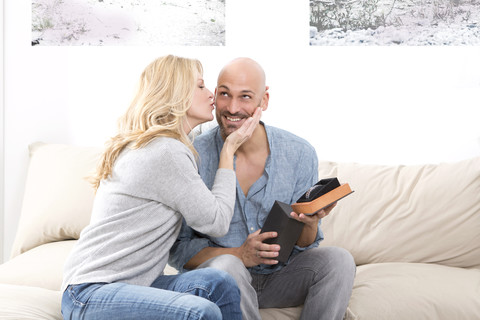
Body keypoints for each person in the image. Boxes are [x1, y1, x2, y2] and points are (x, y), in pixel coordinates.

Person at [61, 55, 262, 320]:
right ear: (177, 94)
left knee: (219, 283)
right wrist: (229, 151)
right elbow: (216, 223)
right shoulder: (165, 151)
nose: (211, 94)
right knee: (200, 312)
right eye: (200, 86)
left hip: (133, 286)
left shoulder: (165, 144)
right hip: (90, 293)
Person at [169, 57, 356, 320]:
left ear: (263, 100)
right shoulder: (192, 155)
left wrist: (310, 223)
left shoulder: (300, 153)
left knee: (339, 260)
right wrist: (239, 255)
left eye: (245, 97)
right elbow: (178, 250)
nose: (232, 107)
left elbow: (304, 247)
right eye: (224, 94)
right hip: (221, 280)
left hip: (281, 279)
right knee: (228, 265)